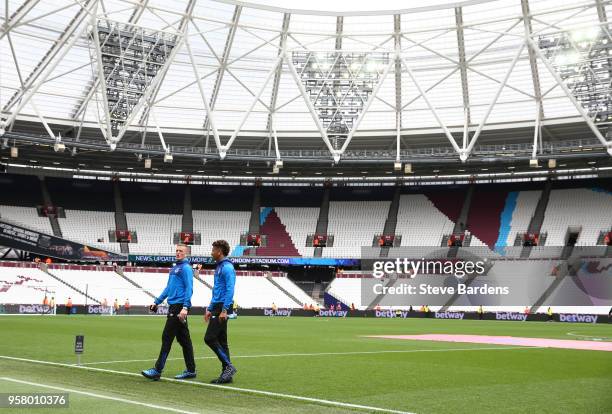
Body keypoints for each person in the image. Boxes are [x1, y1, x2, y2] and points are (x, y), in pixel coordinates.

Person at [141, 244, 196, 381]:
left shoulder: (186, 268)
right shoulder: (174, 268)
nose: (178, 253)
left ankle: (157, 370)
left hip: (178, 307)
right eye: (176, 251)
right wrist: (157, 301)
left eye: (181, 251)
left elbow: (189, 288)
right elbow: (168, 288)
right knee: (184, 340)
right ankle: (191, 370)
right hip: (173, 306)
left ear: (186, 253)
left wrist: (185, 307)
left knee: (167, 337)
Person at [204, 240, 237, 384]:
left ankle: (229, 367)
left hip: (222, 307)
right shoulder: (219, 267)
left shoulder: (227, 268)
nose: (211, 252)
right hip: (217, 306)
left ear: (220, 251)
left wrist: (224, 310)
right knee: (222, 341)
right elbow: (216, 290)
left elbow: (230, 289)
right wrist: (210, 308)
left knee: (209, 338)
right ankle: (227, 375)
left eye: (213, 250)